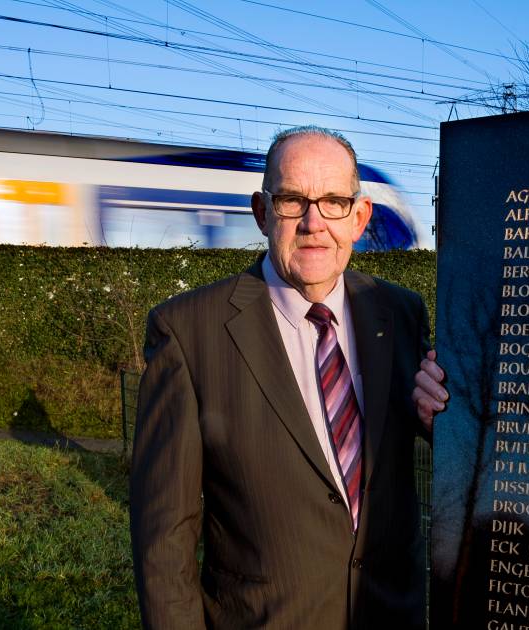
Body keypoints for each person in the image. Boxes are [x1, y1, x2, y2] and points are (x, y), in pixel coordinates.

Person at [130, 126, 449, 629]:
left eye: (334, 202)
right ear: (262, 213)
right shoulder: (189, 332)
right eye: (292, 200)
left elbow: (442, 441)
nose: (313, 222)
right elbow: (163, 537)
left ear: (359, 218)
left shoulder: (400, 313)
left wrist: (441, 425)